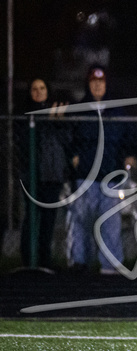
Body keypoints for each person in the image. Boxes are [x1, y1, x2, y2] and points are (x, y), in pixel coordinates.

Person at [67, 65, 137, 275]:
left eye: (101, 82)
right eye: (93, 82)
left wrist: (130, 155)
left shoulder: (117, 111)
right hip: (85, 175)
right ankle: (79, 262)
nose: (97, 85)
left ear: (106, 84)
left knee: (110, 223)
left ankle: (111, 264)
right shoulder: (79, 109)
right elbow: (69, 138)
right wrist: (73, 158)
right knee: (81, 221)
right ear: (88, 84)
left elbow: (130, 137)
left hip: (111, 175)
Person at [18, 78, 71, 270]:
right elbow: (24, 141)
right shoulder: (25, 113)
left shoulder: (55, 113)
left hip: (52, 174)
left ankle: (44, 260)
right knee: (31, 218)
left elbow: (66, 140)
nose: (38, 92)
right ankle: (28, 259)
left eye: (42, 88)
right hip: (32, 175)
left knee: (49, 220)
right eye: (34, 89)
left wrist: (58, 121)